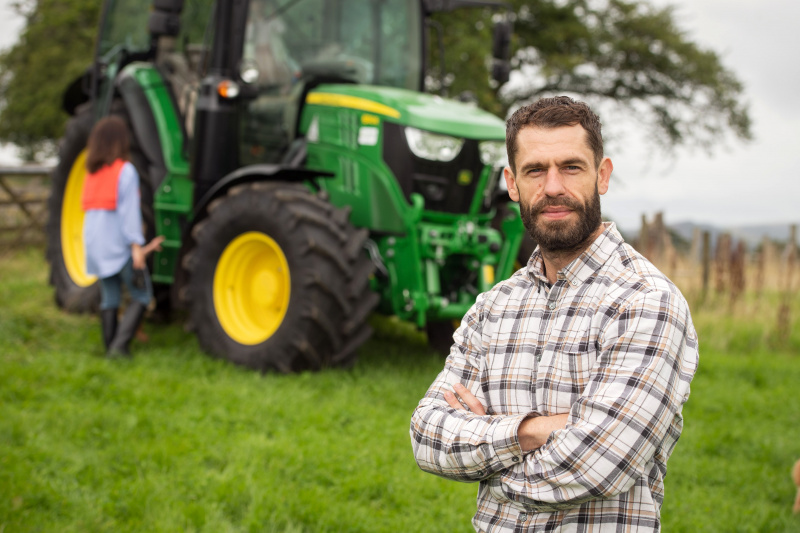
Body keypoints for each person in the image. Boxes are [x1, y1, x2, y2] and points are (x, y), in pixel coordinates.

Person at [410, 96, 699, 532]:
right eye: (534, 170)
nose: (552, 187)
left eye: (571, 167)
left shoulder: (645, 302)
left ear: (602, 176)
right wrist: (532, 432)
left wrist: (487, 451)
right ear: (512, 183)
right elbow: (428, 437)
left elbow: (598, 464)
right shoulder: (494, 307)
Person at [81, 116, 164, 358]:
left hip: (95, 246)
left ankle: (110, 348)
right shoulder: (124, 171)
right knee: (141, 295)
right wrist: (137, 246)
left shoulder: (91, 174)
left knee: (110, 297)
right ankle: (119, 348)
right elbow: (128, 213)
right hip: (118, 245)